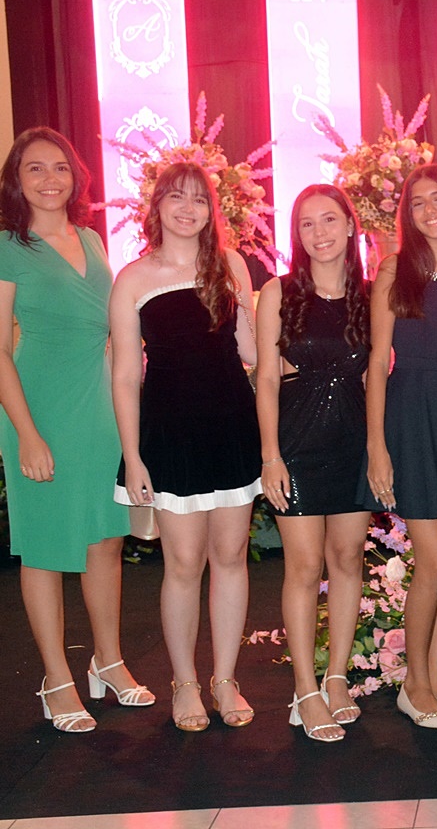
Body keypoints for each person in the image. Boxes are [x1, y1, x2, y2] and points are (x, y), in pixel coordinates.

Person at [0, 128, 152, 733]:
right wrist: (26, 433)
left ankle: (107, 662)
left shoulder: (90, 238)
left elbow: (111, 324)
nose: (49, 179)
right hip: (39, 407)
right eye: (34, 169)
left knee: (105, 539)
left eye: (59, 167)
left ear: (76, 175)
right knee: (46, 548)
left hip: (99, 409)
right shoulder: (8, 245)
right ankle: (55, 680)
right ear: (16, 181)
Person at [110, 161, 261, 733]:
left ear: (211, 210)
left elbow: (250, 352)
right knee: (182, 564)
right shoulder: (134, 278)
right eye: (176, 197)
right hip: (170, 435)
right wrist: (134, 456)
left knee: (231, 557)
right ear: (157, 206)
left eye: (198, 199)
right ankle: (185, 683)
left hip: (231, 428)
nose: (187, 209)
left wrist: (261, 308)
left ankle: (225, 679)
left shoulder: (231, 265)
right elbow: (127, 375)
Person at [362, 165, 437, 730]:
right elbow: (377, 363)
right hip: (412, 416)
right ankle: (413, 685)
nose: (430, 211)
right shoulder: (394, 269)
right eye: (418, 203)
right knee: (432, 560)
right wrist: (377, 447)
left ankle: (435, 678)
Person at [256, 184, 370, 742]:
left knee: (347, 559)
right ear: (296, 234)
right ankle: (304, 690)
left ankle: (337, 677)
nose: (319, 233)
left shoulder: (371, 295)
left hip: (353, 441)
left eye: (329, 220)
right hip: (296, 444)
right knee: (303, 567)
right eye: (307, 223)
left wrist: (380, 450)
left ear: (350, 225)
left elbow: (378, 375)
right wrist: (270, 456)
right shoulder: (278, 292)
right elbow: (265, 379)